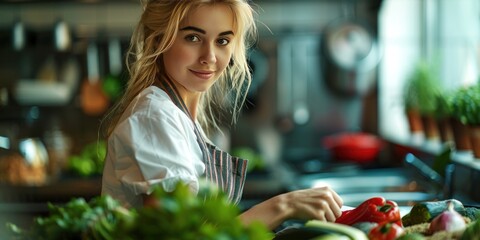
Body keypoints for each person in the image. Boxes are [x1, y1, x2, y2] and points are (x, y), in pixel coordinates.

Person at [101, 0, 343, 231]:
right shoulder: (155, 118)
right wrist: (283, 205)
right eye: (193, 38)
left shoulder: (178, 116)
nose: (210, 57)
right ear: (158, 40)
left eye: (223, 40)